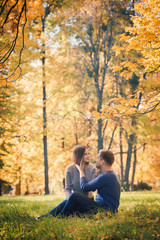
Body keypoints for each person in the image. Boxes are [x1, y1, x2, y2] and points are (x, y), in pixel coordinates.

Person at [35, 149, 120, 220]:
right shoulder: (110, 175)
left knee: (75, 195)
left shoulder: (106, 176)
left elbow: (85, 187)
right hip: (103, 209)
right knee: (69, 201)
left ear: (102, 162)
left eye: (98, 158)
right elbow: (94, 186)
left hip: (104, 211)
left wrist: (81, 171)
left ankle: (59, 218)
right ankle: (42, 218)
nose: (95, 160)